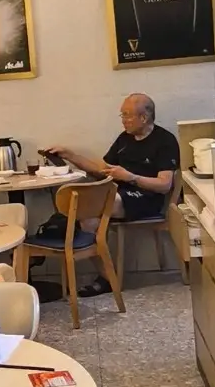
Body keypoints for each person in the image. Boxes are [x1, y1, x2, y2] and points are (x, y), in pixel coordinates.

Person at [46, 93, 179, 294]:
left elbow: (164, 185)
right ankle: (108, 276)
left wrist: (130, 177)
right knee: (89, 219)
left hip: (147, 198)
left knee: (89, 206)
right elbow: (102, 170)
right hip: (118, 193)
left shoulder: (164, 141)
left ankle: (105, 277)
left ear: (144, 117)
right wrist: (70, 156)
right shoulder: (124, 139)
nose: (123, 120)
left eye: (127, 115)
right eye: (122, 115)